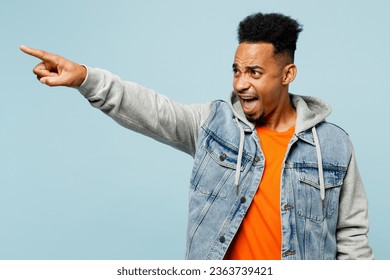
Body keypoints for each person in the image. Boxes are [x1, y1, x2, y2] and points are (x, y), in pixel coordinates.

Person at [20, 12, 373, 260]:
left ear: (287, 74)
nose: (240, 83)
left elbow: (352, 239)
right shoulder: (213, 125)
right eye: (236, 70)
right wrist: (85, 77)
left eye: (254, 72)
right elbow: (151, 109)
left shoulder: (334, 146)